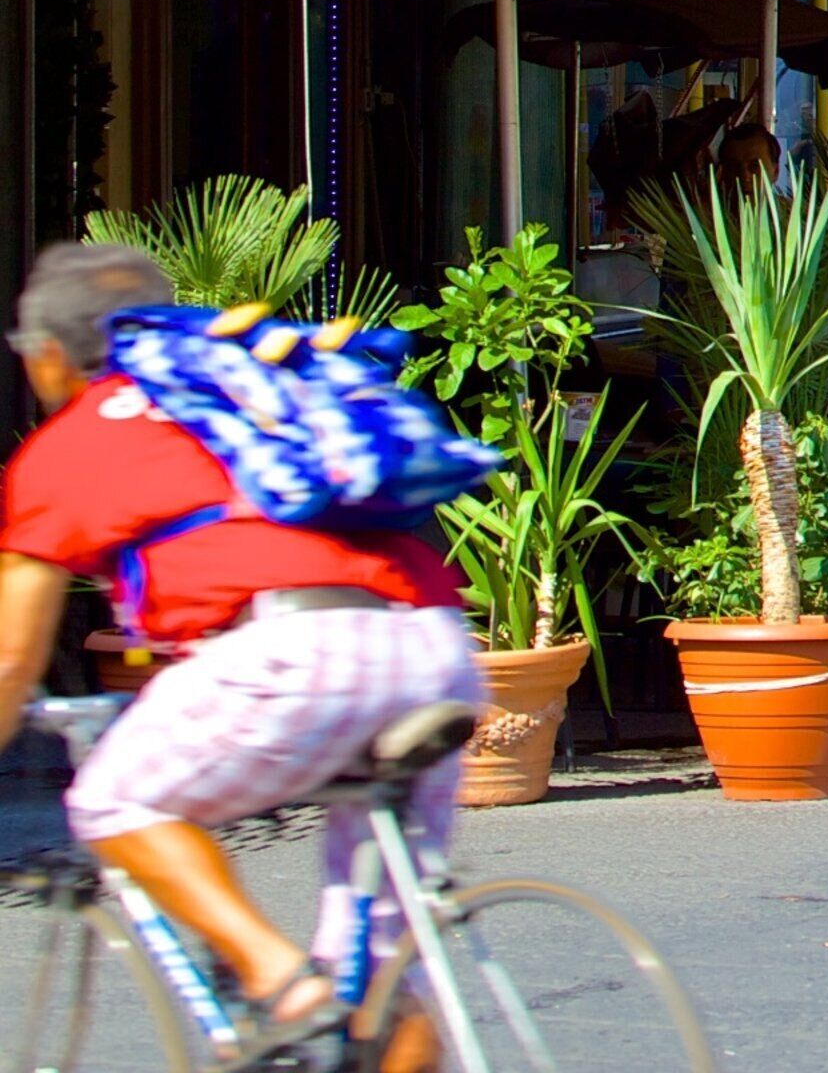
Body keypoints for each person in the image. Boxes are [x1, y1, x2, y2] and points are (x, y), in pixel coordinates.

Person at [0, 244, 484, 1073]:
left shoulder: (72, 444)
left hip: (295, 656)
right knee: (375, 974)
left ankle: (279, 981)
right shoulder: (254, 385)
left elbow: (13, 653)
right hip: (434, 646)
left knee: (115, 802)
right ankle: (346, 1003)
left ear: (48, 355)